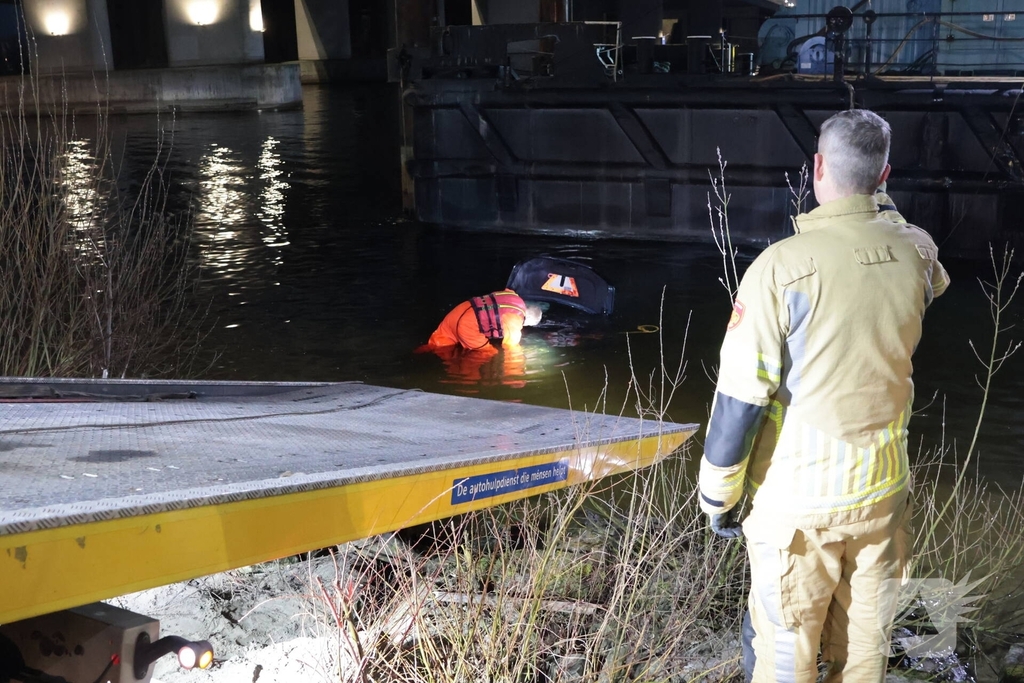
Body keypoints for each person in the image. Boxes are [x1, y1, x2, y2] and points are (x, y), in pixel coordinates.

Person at [698, 109, 950, 683]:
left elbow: (741, 399)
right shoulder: (917, 251)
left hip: (799, 503)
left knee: (786, 650)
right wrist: (878, 204)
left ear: (816, 166)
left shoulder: (779, 269)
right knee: (864, 651)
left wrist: (718, 498)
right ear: (887, 173)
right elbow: (910, 269)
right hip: (882, 493)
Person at [420, 288, 543, 352]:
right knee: (489, 354)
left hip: (463, 308)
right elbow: (510, 347)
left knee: (438, 343)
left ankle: (417, 352)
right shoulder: (515, 320)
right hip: (468, 326)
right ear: (527, 322)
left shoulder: (513, 295)